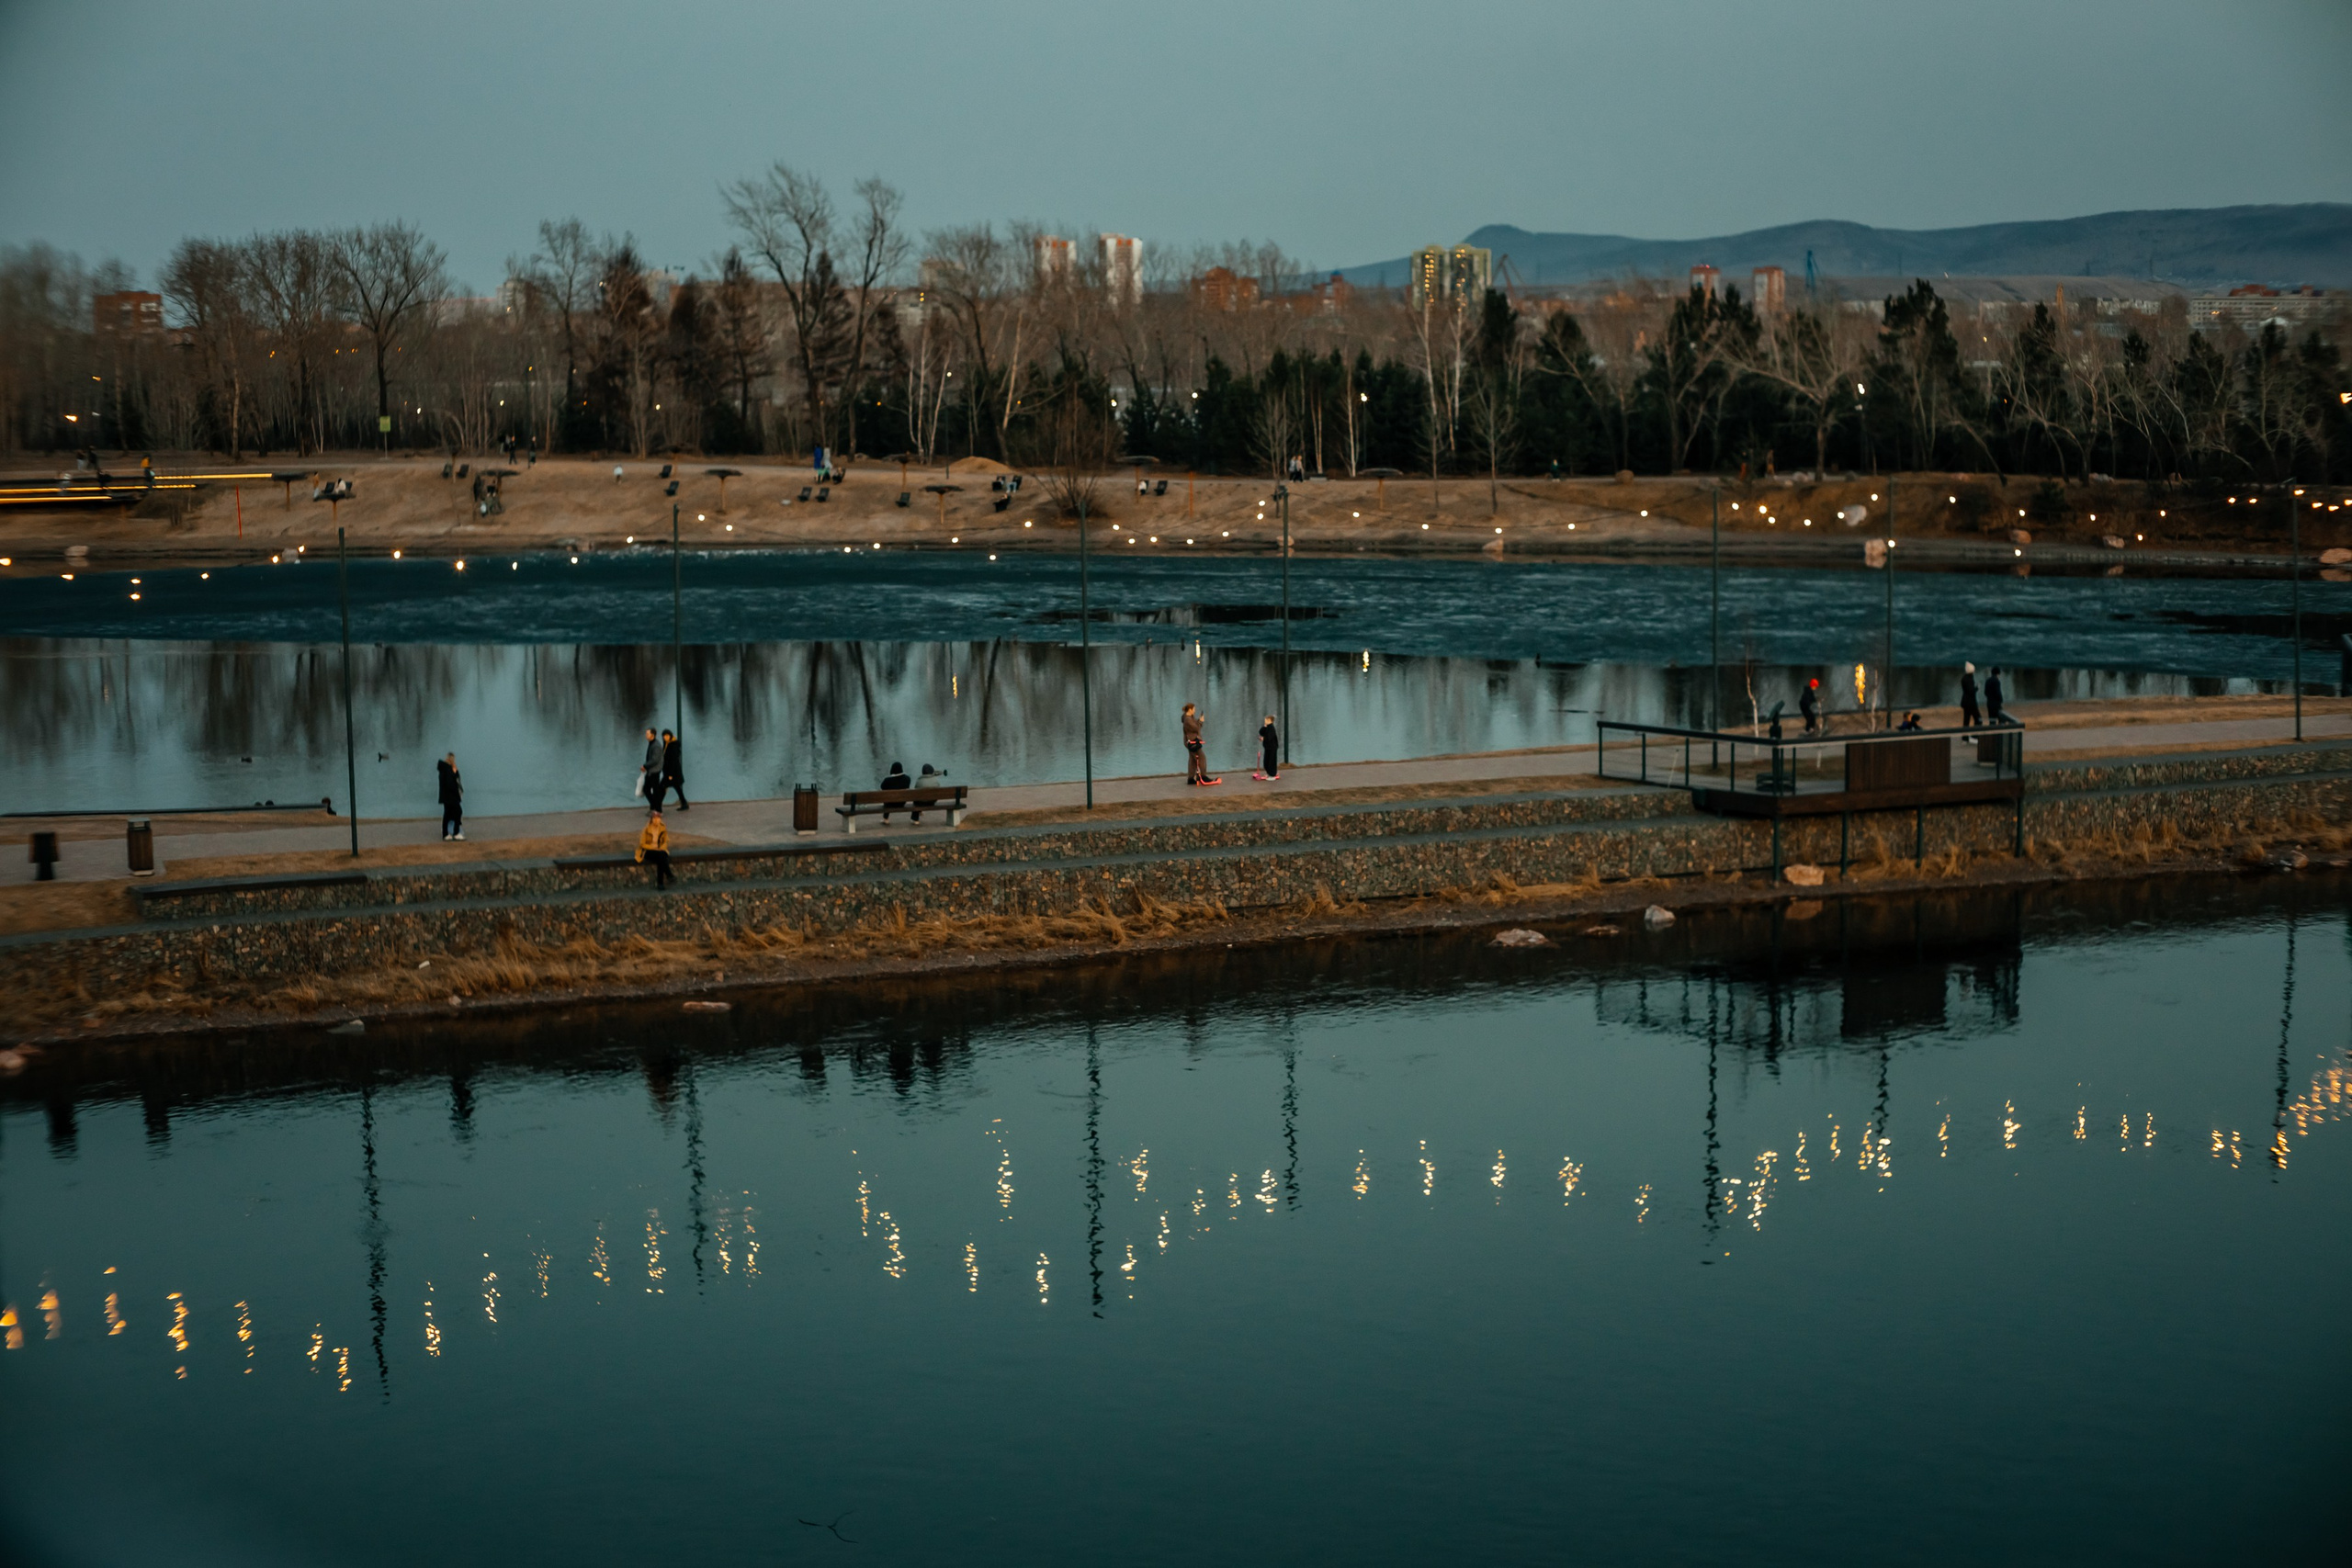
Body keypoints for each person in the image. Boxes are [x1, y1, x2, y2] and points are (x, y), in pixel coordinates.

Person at [637, 807, 673, 889]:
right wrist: (653, 847)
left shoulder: (662, 828)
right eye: (655, 818)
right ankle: (669, 875)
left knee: (661, 857)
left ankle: (660, 883)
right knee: (661, 857)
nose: (657, 819)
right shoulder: (646, 829)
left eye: (658, 818)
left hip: (660, 851)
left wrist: (661, 848)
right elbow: (642, 844)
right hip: (648, 851)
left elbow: (665, 841)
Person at [436, 752, 464, 840]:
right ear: (451, 760)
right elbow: (451, 784)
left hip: (446, 796)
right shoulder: (448, 770)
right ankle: (455, 833)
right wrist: (455, 773)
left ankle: (446, 833)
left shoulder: (443, 769)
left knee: (447, 814)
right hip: (451, 796)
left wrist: (455, 772)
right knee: (458, 812)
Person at [659, 728, 689, 810]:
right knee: (677, 787)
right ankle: (684, 803)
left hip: (671, 772)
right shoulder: (667, 744)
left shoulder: (673, 746)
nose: (665, 737)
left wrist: (670, 775)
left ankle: (658, 807)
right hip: (670, 772)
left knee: (662, 787)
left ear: (670, 736)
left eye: (667, 736)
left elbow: (673, 761)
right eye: (664, 736)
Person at [1182, 703, 1206, 784]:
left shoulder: (1190, 718)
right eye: (1194, 709)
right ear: (1190, 710)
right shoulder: (1188, 720)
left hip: (1191, 741)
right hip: (1192, 741)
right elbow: (1196, 728)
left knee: (1192, 760)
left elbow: (1196, 725)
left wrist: (1199, 720)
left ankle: (1191, 778)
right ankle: (1203, 776)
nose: (1195, 711)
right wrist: (1201, 721)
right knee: (1202, 758)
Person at [1255, 715, 1281, 781]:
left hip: (1272, 747)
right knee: (1266, 761)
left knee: (1271, 761)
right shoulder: (1267, 727)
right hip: (1267, 747)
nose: (1265, 721)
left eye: (1266, 720)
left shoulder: (1271, 728)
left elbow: (1269, 737)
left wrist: (1263, 738)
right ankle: (1269, 773)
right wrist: (1264, 727)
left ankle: (1272, 775)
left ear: (1270, 721)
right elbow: (1261, 732)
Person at [639, 727, 661, 801]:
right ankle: (655, 807)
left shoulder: (656, 745)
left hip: (654, 771)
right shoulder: (651, 743)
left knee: (652, 790)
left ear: (653, 735)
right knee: (647, 789)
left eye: (647, 734)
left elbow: (655, 760)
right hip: (650, 770)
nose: (646, 735)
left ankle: (656, 808)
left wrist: (645, 766)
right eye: (646, 733)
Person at [1959, 662, 1982, 728]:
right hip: (1971, 703)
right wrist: (1977, 688)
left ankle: (1965, 736)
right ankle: (1975, 735)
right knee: (1978, 719)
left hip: (1965, 702)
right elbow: (1971, 691)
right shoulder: (1969, 679)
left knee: (1966, 720)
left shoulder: (1964, 678)